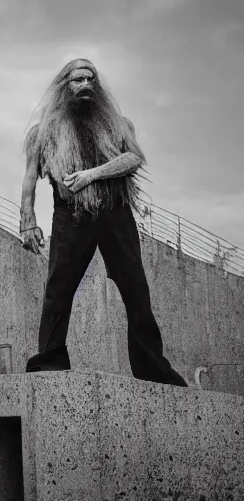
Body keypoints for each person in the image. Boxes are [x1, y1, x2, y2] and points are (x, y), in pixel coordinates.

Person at [18, 59, 187, 387]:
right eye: (76, 79)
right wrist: (27, 220)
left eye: (89, 79)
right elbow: (29, 177)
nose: (84, 85)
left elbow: (134, 158)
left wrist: (92, 175)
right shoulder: (44, 131)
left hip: (115, 212)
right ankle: (49, 362)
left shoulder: (119, 124)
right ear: (63, 86)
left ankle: (154, 369)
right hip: (70, 214)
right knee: (58, 289)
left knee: (136, 290)